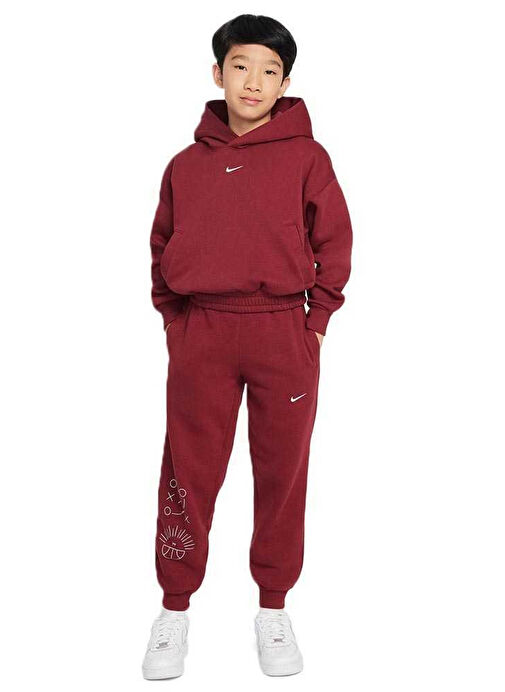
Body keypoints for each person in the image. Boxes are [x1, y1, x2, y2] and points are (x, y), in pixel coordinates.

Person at [142, 13, 353, 680]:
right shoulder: (185, 166)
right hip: (202, 330)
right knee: (188, 469)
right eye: (240, 66)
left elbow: (334, 243)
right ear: (218, 73)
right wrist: (176, 322)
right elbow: (161, 246)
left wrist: (315, 323)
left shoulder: (308, 159)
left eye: (269, 70)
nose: (253, 81)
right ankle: (174, 607)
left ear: (285, 82)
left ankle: (273, 606)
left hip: (281, 332)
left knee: (282, 470)